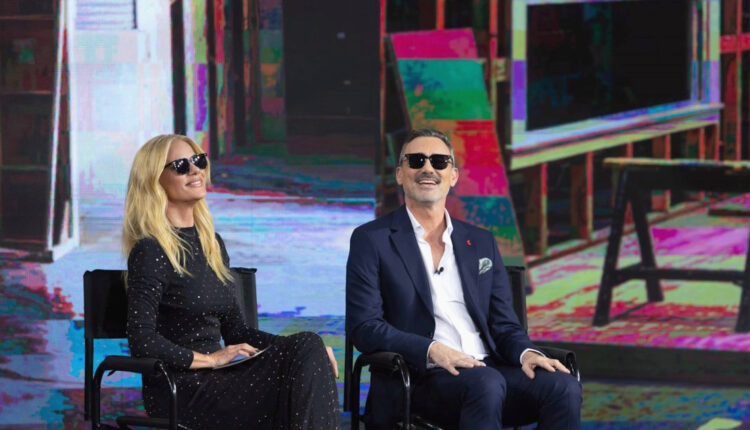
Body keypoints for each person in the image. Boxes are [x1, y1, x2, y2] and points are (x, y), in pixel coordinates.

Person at [346, 128, 582, 429]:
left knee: (562, 386)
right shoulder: (372, 239)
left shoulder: (481, 242)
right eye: (416, 160)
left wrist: (526, 353)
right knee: (485, 383)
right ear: (400, 174)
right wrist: (431, 349)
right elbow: (365, 327)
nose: (428, 168)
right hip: (420, 376)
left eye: (439, 161)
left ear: (453, 176)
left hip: (490, 369)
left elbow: (504, 324)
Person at [124, 134, 339, 429]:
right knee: (306, 352)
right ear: (154, 180)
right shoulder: (151, 250)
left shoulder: (212, 244)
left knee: (310, 348)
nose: (195, 170)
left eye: (198, 161)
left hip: (220, 380)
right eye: (181, 166)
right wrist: (212, 359)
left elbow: (237, 331)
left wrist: (303, 353)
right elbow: (141, 340)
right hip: (181, 389)